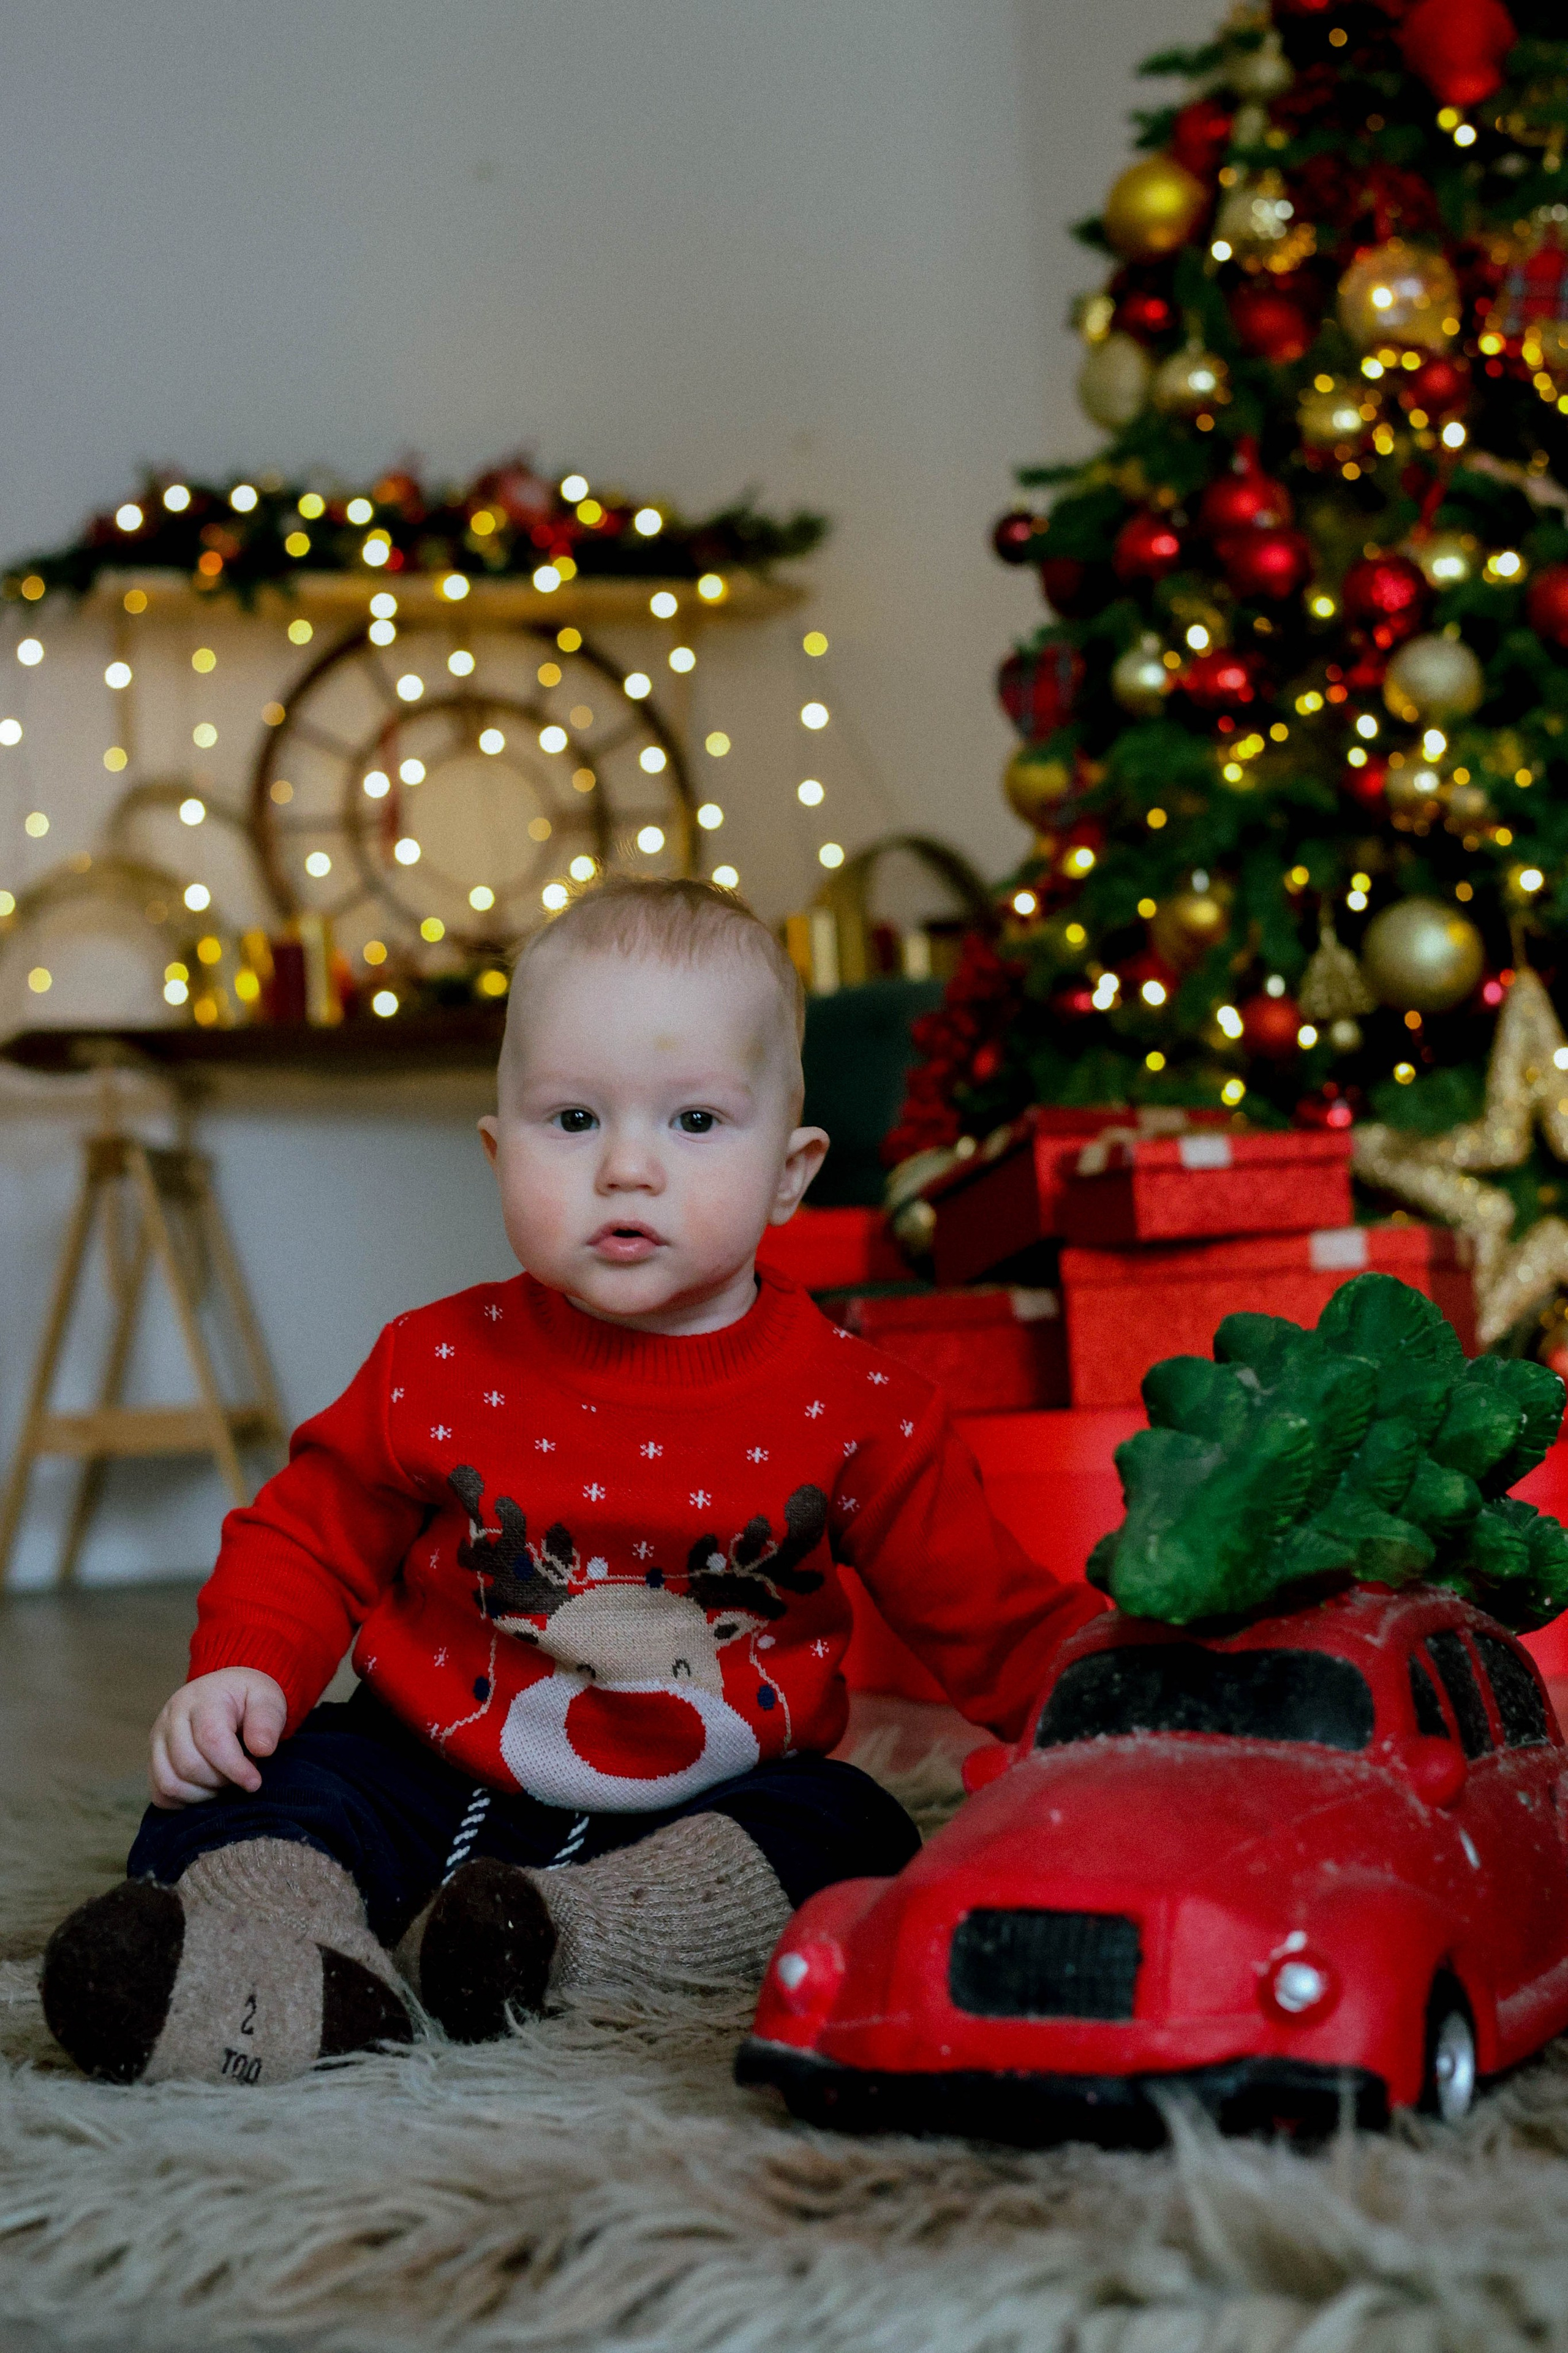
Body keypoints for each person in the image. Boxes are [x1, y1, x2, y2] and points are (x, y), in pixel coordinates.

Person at [42, 878, 1105, 2086]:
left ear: (789, 1173)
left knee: (849, 1826)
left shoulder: (859, 1408)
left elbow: (990, 1615)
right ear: (499, 1150)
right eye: (573, 1120)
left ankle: (561, 1944)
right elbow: (307, 1535)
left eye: (696, 1123)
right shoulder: (431, 1362)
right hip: (420, 1763)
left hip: (697, 1808)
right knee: (235, 1787)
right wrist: (242, 1665)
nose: (629, 1169)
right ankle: (294, 1960)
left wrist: (1115, 1693)